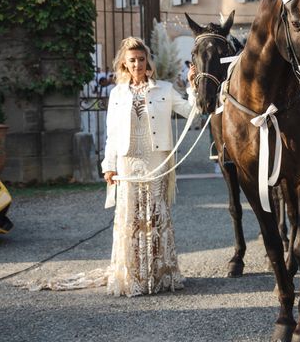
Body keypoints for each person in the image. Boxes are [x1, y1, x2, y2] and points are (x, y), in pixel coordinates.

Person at [29, 37, 197, 297]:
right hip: (127, 162)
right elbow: (112, 133)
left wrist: (193, 86)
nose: (137, 64)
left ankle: (157, 275)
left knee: (155, 215)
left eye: (141, 59)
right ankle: (133, 275)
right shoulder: (117, 93)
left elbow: (192, 111)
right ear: (124, 64)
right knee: (130, 217)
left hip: (156, 161)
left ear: (147, 61)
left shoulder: (164, 89)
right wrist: (108, 166)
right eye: (132, 60)